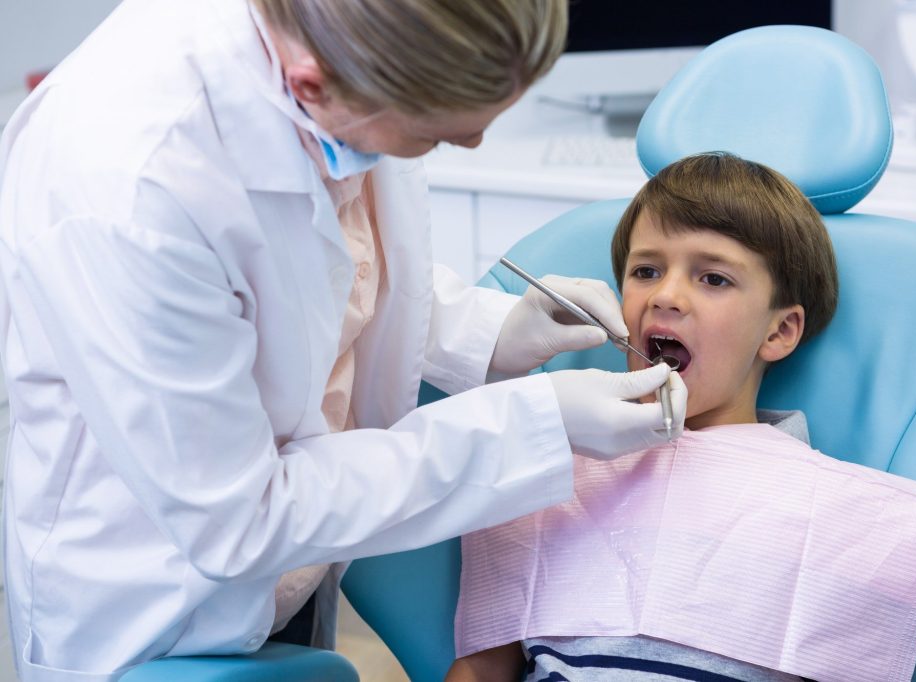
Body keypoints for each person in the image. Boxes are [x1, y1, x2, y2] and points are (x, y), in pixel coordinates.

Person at [0, 0, 683, 678]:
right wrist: (537, 427)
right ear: (310, 83)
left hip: (299, 565)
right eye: (439, 135)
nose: (475, 143)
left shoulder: (344, 67)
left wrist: (496, 328)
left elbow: (322, 270)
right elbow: (238, 521)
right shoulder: (131, 186)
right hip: (164, 606)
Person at [447, 153, 916, 681]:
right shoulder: (550, 475)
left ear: (779, 332)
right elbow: (482, 668)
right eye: (646, 271)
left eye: (713, 279)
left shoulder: (833, 517)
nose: (665, 295)